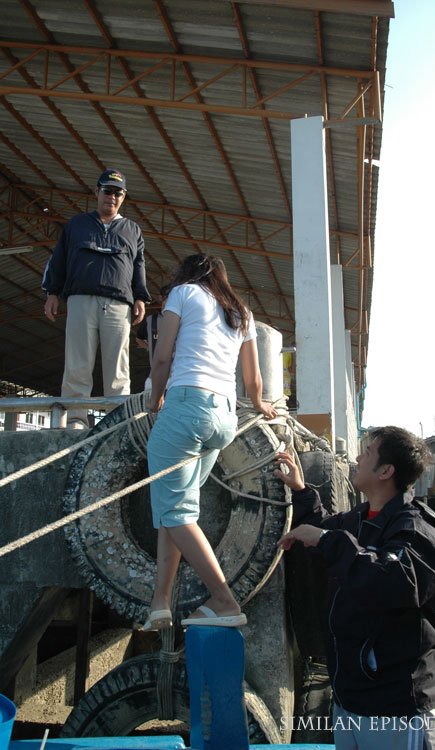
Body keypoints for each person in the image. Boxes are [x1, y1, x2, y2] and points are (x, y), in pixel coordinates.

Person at [275, 426, 435, 750]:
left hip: (398, 712)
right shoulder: (362, 518)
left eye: (368, 451)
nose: (357, 457)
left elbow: (393, 580)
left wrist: (328, 540)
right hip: (351, 703)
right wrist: (301, 490)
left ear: (386, 470)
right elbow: (324, 529)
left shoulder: (417, 530)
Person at [145, 254, 277, 631]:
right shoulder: (241, 311)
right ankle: (161, 604)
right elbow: (253, 379)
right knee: (176, 511)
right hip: (224, 417)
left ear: (186, 274)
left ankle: (224, 600)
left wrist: (156, 400)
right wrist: (261, 404)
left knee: (177, 511)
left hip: (186, 407)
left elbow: (162, 357)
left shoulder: (183, 294)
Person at [42, 169, 151, 428]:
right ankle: (75, 420)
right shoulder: (76, 224)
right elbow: (59, 261)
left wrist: (140, 298)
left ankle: (117, 422)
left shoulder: (132, 230)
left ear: (123, 197)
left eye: (118, 193)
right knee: (77, 363)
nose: (111, 197)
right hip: (80, 299)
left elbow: (138, 266)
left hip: (118, 305)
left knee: (118, 368)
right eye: (107, 191)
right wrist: (52, 292)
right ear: (96, 192)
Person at [135, 284, 171, 390]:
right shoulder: (150, 320)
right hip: (154, 376)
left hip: (177, 376)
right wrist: (149, 347)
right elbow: (138, 339)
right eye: (168, 296)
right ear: (161, 298)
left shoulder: (183, 320)